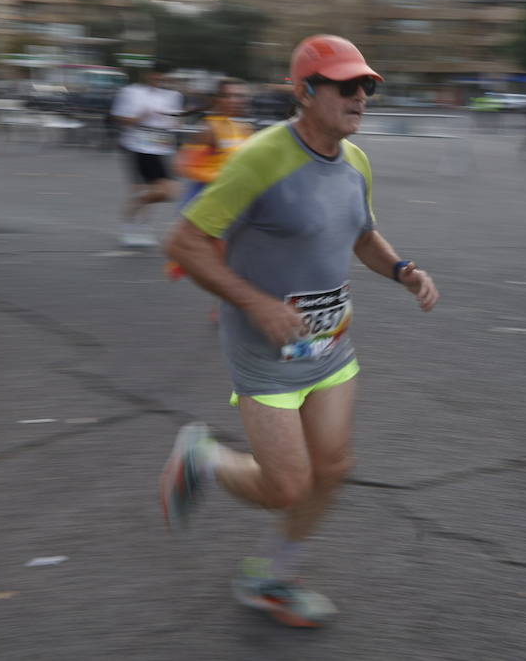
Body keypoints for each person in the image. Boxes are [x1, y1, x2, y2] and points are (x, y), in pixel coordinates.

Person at [158, 34, 439, 628]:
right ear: (306, 91)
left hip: (329, 343)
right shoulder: (260, 157)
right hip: (264, 350)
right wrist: (256, 303)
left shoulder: (356, 161)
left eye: (366, 85)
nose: (361, 95)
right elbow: (184, 242)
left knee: (333, 469)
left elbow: (361, 235)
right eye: (346, 85)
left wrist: (402, 270)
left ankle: (276, 578)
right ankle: (203, 459)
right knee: (288, 486)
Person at [165, 78, 254, 282]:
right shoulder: (209, 129)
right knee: (229, 266)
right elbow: (183, 165)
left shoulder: (244, 128)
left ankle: (187, 261)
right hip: (207, 205)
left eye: (240, 95)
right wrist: (221, 177)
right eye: (229, 95)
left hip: (232, 205)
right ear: (218, 100)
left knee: (231, 264)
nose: (235, 100)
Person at [111, 62, 183, 247]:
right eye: (156, 75)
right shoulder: (132, 92)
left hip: (160, 146)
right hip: (136, 146)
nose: (159, 79)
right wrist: (139, 117)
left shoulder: (173, 96)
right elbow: (119, 118)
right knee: (144, 189)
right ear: (148, 75)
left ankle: (132, 215)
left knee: (166, 192)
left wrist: (172, 122)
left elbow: (175, 121)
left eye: (163, 76)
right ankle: (135, 227)